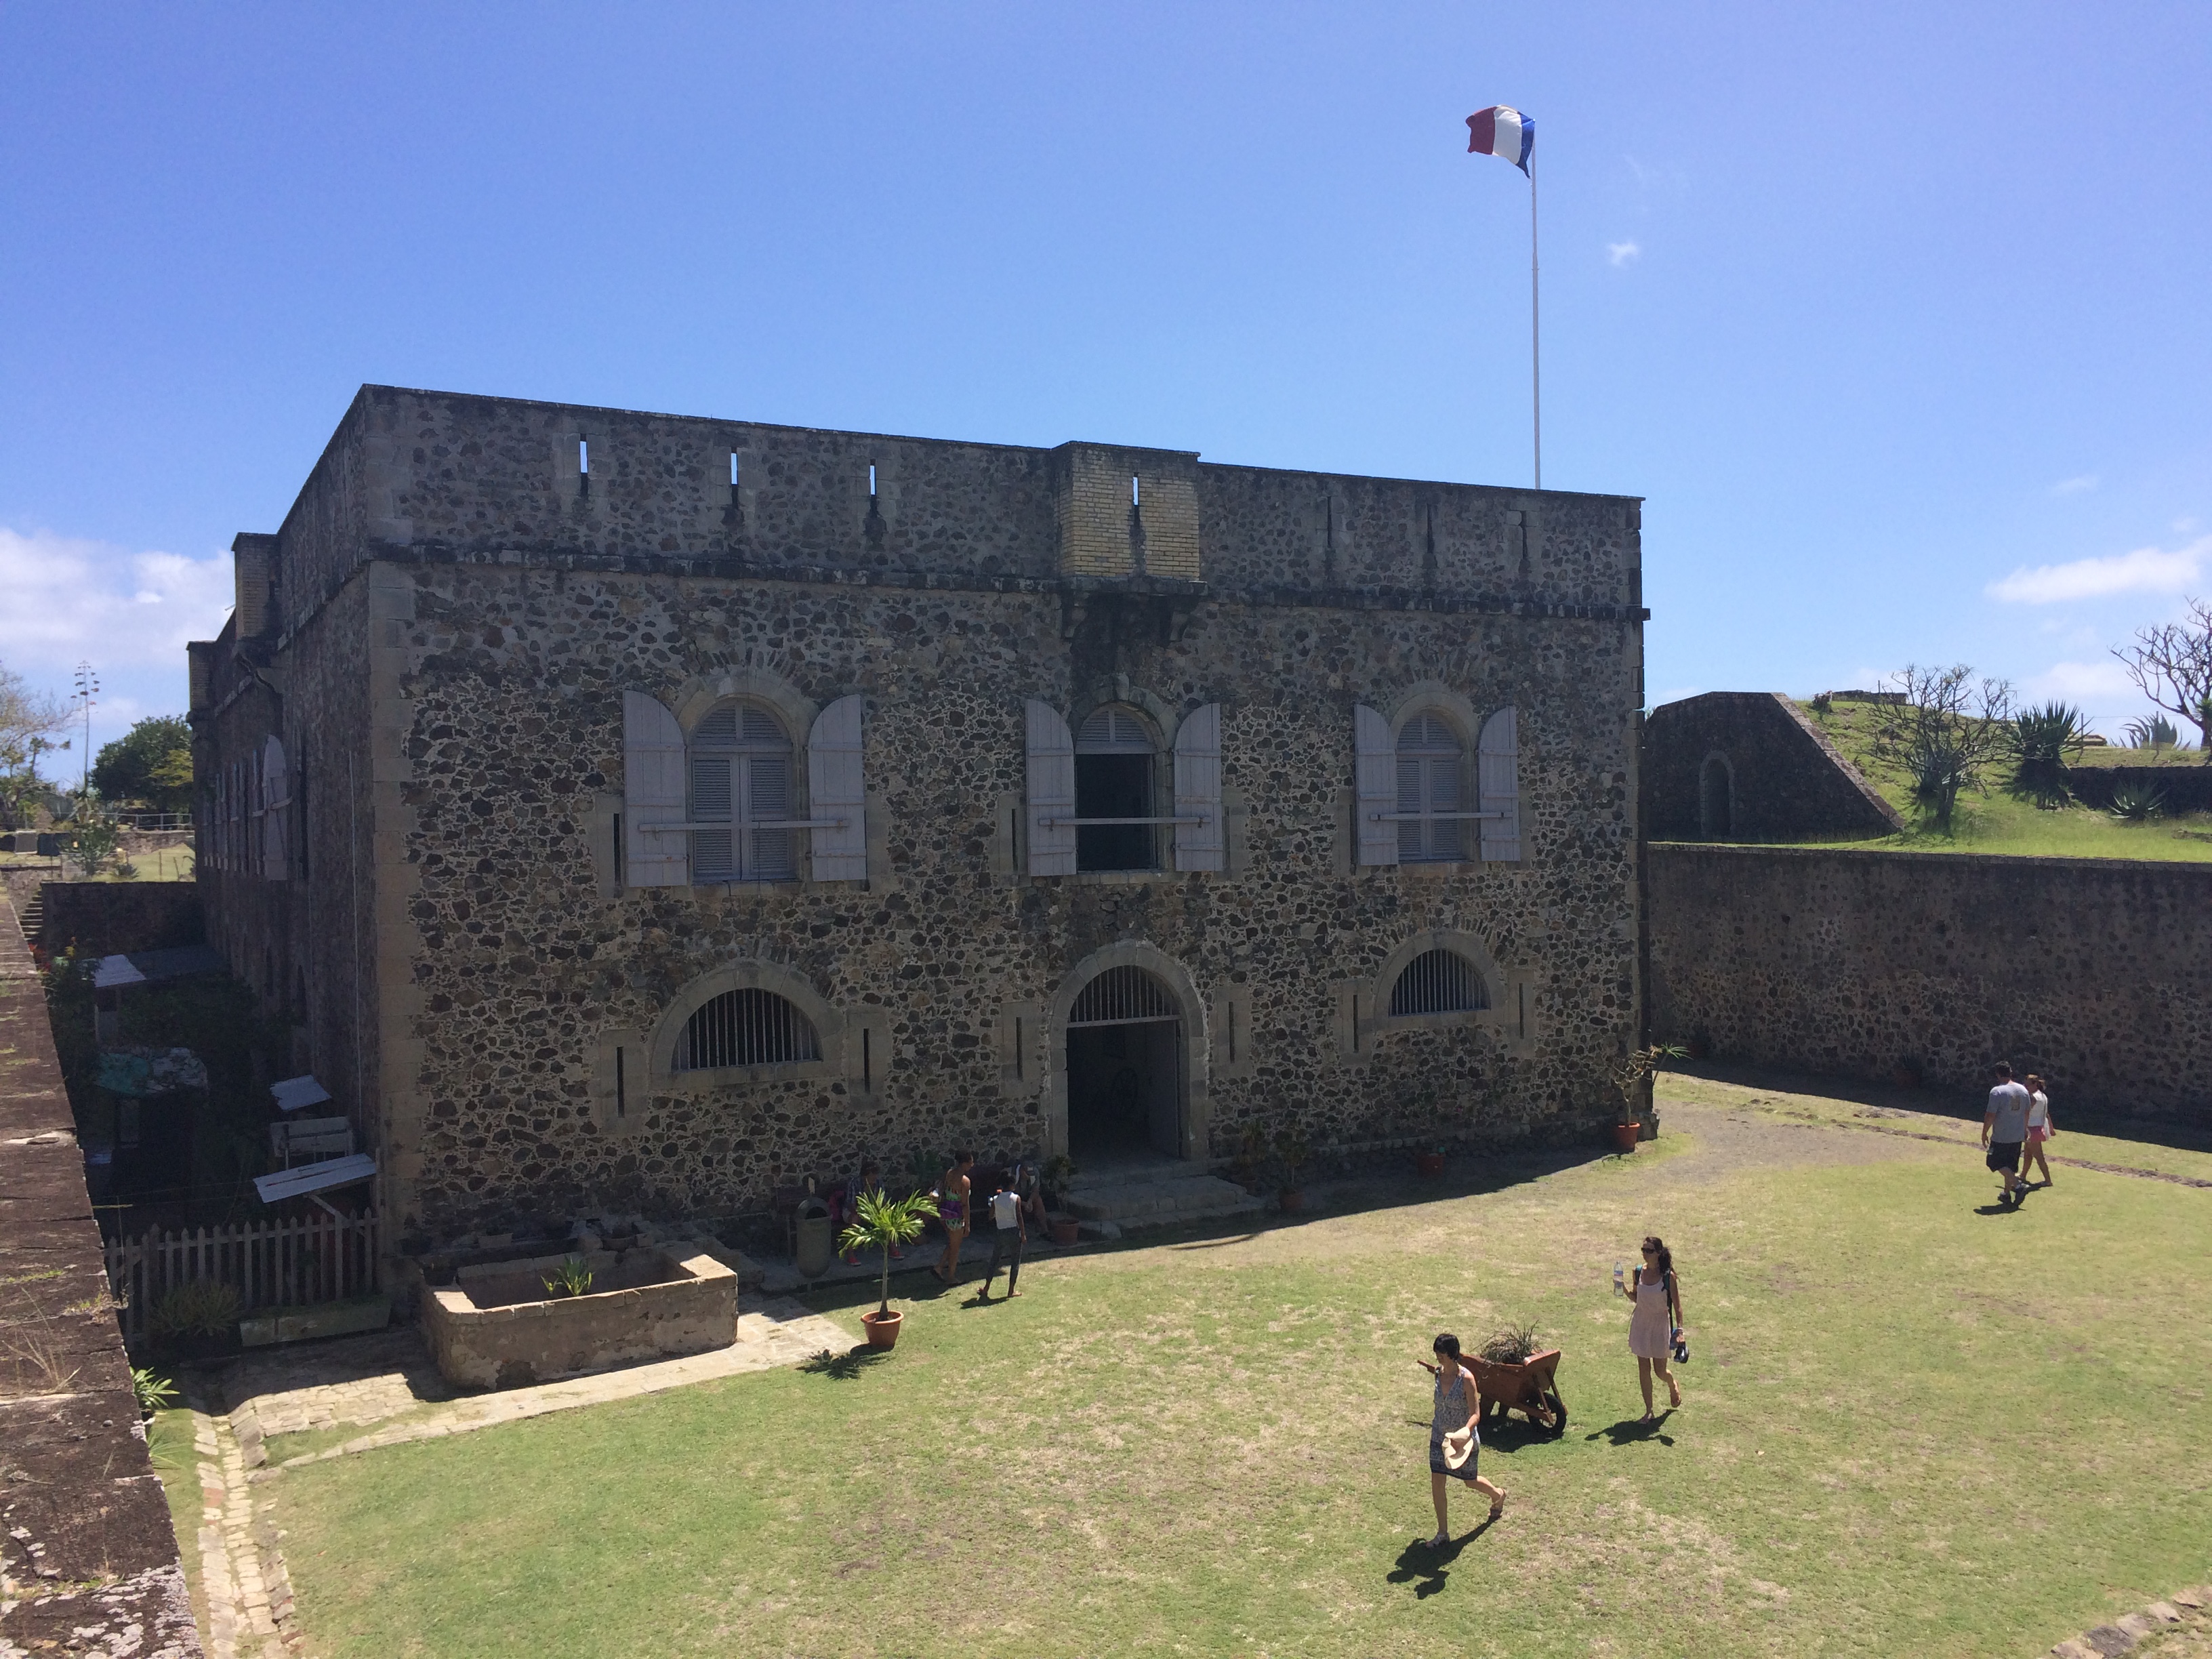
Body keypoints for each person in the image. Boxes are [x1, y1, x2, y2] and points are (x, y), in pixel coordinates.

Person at [1416, 1334, 1505, 1546]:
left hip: (1463, 1441)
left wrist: (1466, 1431)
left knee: (1469, 1481)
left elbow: (1476, 1413)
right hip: (1440, 1437)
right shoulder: (1439, 1373)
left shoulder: (1466, 1379)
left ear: (1453, 1355)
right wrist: (1432, 1368)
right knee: (1437, 1482)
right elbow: (1437, 1373)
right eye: (1437, 1355)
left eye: (1443, 1356)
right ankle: (1442, 1534)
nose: (1439, 1359)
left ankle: (1498, 1495)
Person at [1626, 1235, 1683, 1421]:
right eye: (1643, 1250)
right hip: (1641, 1323)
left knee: (1660, 1371)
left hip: (1660, 1325)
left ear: (1658, 1253)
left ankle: (1671, 1383)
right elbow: (1638, 1299)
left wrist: (1680, 1331)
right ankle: (1649, 1410)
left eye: (1649, 1250)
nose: (1645, 1254)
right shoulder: (1637, 1272)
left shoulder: (1668, 1276)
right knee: (1643, 1368)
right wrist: (1624, 1290)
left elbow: (1677, 1306)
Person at [1982, 1062, 2033, 1207]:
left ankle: (2018, 1186)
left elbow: (1990, 1114)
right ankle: (2006, 1194)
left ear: (1998, 1074)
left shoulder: (1997, 1092)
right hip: (2017, 1136)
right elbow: (2027, 1111)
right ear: (2011, 1072)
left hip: (2002, 1136)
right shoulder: (2022, 1090)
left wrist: (1985, 1131)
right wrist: (2025, 1129)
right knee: (2009, 1166)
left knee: (1994, 1162)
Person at [979, 1162, 1031, 1299]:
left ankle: (986, 1288)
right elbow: (1020, 1218)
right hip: (1014, 1231)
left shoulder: (996, 1199)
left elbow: (990, 1216)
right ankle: (1011, 1290)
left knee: (994, 1260)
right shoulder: (1016, 1199)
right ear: (1012, 1185)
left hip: (1001, 1231)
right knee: (1015, 1262)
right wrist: (1024, 1234)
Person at [933, 1149, 973, 1284]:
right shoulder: (965, 1181)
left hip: (945, 1212)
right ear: (965, 1163)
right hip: (956, 1215)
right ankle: (951, 1276)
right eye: (971, 1162)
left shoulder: (949, 1173)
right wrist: (967, 1223)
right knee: (955, 1248)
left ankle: (939, 1267)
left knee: (951, 1243)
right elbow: (965, 1204)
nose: (972, 1165)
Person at [2022, 1073, 2057, 1189]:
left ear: (2035, 1084)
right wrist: (2051, 1128)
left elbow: (2026, 1112)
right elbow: (2046, 1114)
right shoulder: (2043, 1096)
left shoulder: (2033, 1098)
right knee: (2027, 1154)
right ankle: (2023, 1175)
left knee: (2039, 1157)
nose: (2025, 1087)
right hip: (2036, 1128)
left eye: (2028, 1085)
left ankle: (2048, 1180)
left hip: (2032, 1130)